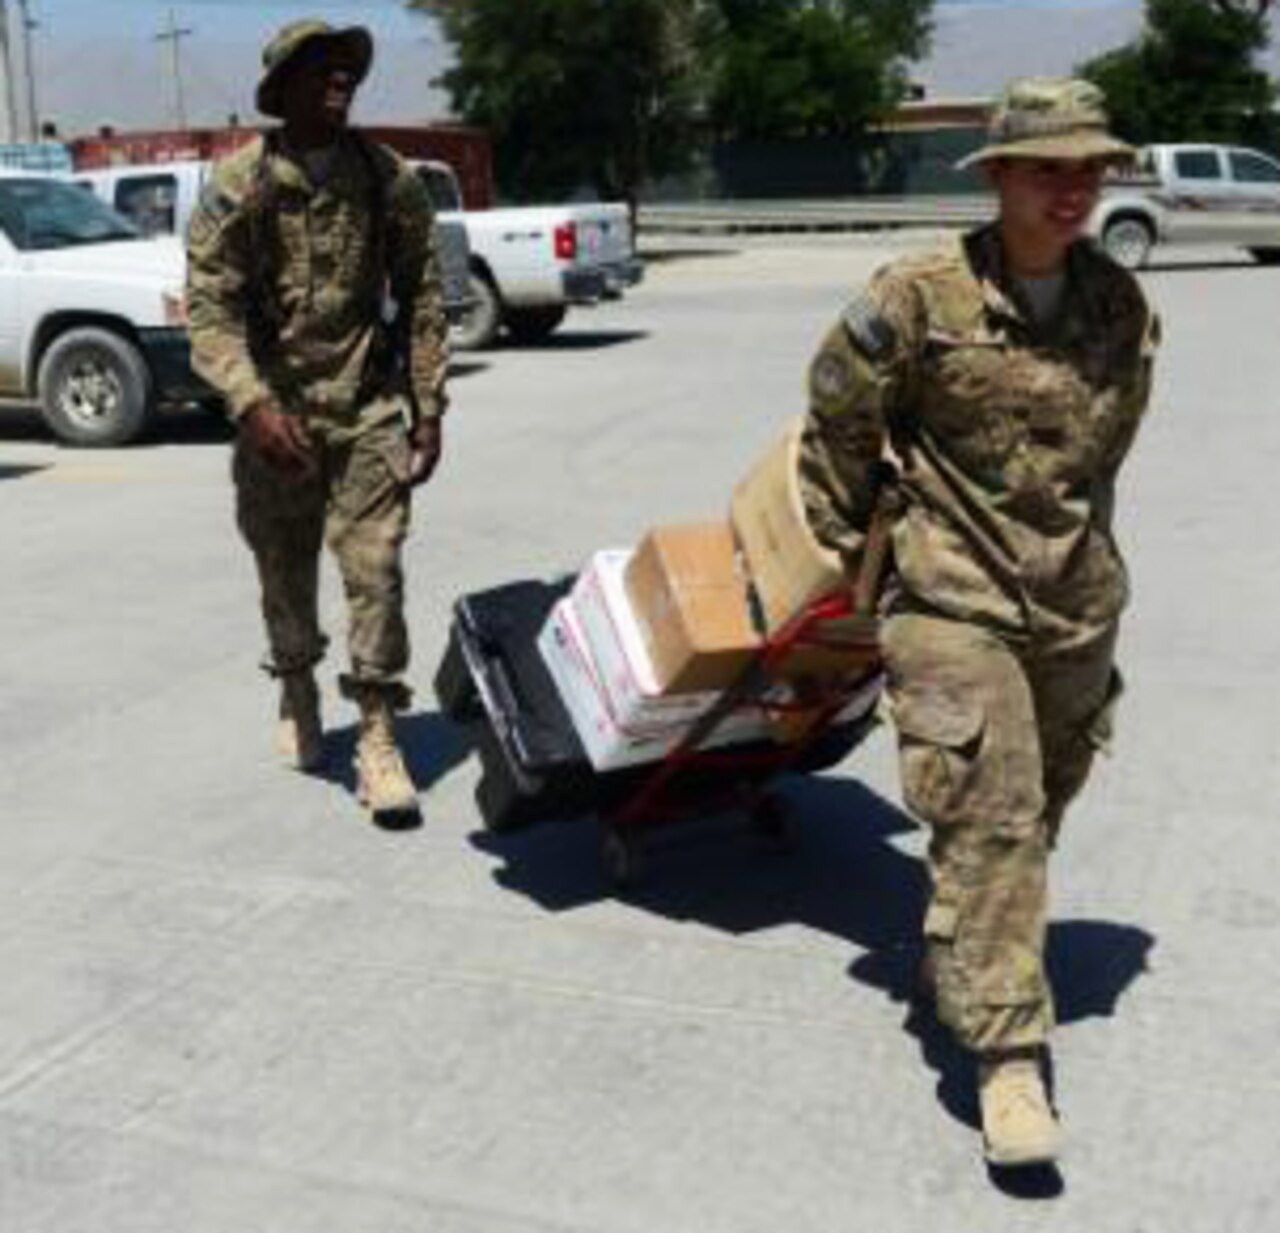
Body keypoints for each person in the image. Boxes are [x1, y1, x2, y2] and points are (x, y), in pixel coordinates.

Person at [798, 78, 1159, 1167]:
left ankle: (958, 942)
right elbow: (835, 420)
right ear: (997, 174)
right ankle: (1007, 1059)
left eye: (1086, 168)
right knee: (991, 818)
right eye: (1048, 167)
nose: (1072, 188)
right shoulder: (916, 296)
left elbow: (1105, 454)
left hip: (1073, 604)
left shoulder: (1117, 306)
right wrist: (860, 551)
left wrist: (1072, 565)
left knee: (1035, 807)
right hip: (949, 600)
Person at [186, 20, 449, 826]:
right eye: (323, 68)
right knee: (283, 571)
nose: (341, 78)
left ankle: (377, 732)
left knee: (377, 570)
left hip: (367, 410)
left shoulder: (387, 178)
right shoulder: (240, 185)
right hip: (277, 420)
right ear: (285, 86)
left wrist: (429, 406)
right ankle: (298, 687)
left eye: (347, 68)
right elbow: (209, 307)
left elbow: (425, 292)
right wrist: (253, 403)